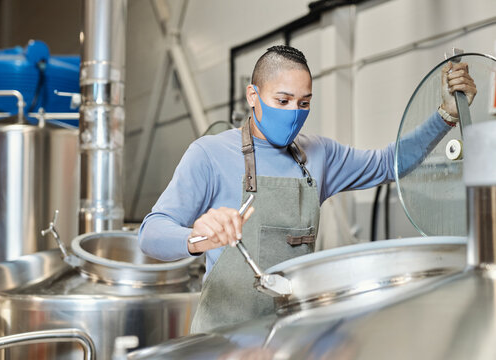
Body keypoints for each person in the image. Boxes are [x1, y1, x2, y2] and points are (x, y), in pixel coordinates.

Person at [138, 45, 477, 333]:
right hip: (223, 342)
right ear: (252, 96)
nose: (293, 113)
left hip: (291, 337)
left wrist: (446, 115)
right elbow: (151, 234)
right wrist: (196, 238)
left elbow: (390, 163)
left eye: (303, 103)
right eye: (282, 100)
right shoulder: (209, 154)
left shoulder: (319, 155)